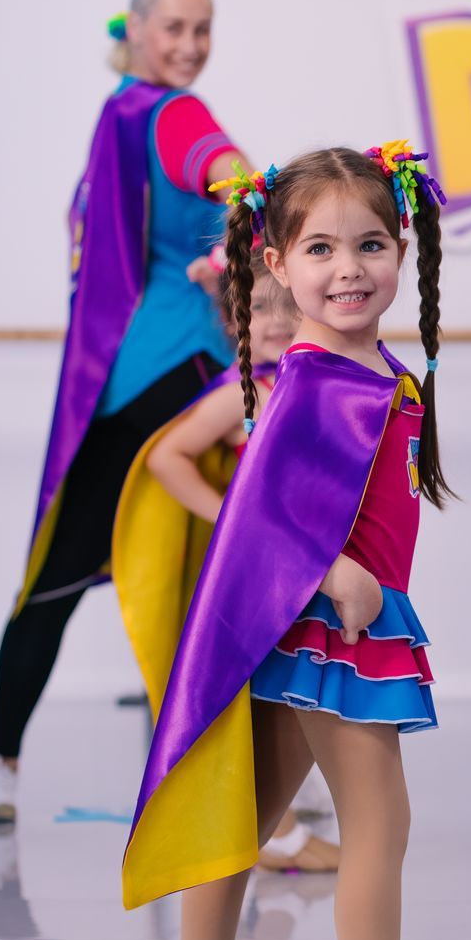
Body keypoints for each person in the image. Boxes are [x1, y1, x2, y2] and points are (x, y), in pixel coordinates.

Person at [122, 145, 471, 940]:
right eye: (321, 249)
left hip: (312, 624)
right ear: (277, 266)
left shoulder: (357, 368)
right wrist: (334, 569)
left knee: (247, 816)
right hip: (337, 623)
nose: (349, 269)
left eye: (371, 244)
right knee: (382, 822)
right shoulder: (321, 380)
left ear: (402, 245)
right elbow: (259, 506)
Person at [0, 0, 247, 821]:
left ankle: (1, 766)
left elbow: (228, 172)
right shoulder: (160, 109)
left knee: (68, 576)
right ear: (135, 28)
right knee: (223, 571)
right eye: (175, 29)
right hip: (171, 372)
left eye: (203, 30)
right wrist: (237, 214)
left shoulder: (142, 111)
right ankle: (245, 778)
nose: (191, 47)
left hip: (151, 378)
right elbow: (229, 172)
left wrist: (237, 216)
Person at [111, 260, 338, 872]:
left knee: (292, 697)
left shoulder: (317, 385)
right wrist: (230, 517)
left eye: (288, 307)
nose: (275, 321)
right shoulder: (247, 393)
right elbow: (166, 456)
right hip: (263, 574)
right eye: (258, 309)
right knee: (263, 702)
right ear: (234, 321)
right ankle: (278, 836)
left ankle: (275, 829)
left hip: (307, 568)